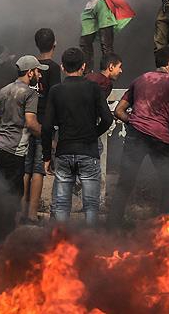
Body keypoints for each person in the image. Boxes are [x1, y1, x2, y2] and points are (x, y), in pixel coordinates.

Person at [110, 47, 169, 227]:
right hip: (160, 138)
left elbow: (118, 111)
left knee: (124, 183)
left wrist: (134, 122)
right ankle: (164, 229)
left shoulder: (140, 80)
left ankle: (111, 228)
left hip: (135, 135)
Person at [42, 47, 114, 226]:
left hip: (64, 150)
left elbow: (47, 126)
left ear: (62, 67)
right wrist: (92, 134)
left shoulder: (56, 91)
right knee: (91, 205)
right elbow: (107, 118)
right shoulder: (94, 88)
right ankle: (90, 246)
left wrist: (46, 156)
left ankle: (60, 245)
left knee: (61, 205)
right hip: (88, 151)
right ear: (83, 66)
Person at [0, 56, 46, 197]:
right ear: (29, 73)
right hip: (14, 151)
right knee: (14, 196)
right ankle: (8, 219)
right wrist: (46, 135)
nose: (39, 75)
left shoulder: (4, 90)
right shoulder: (30, 94)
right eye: (37, 71)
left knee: (2, 189)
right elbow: (31, 123)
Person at [21, 29, 61, 222]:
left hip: (26, 121)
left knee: (26, 168)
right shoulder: (53, 68)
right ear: (54, 43)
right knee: (38, 169)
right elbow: (55, 97)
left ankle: (22, 211)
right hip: (44, 124)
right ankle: (31, 214)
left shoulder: (29, 66)